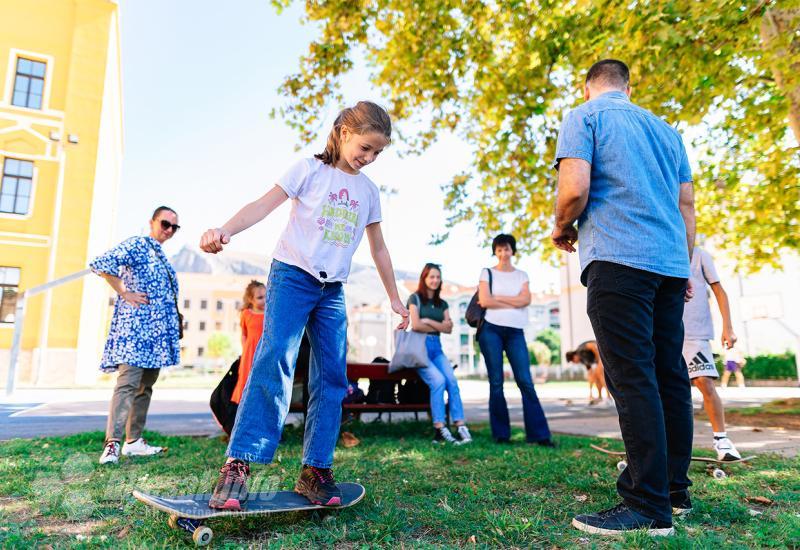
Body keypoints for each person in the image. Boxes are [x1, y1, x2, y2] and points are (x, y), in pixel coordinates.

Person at [199, 101, 409, 511]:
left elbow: (379, 248)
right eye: (365, 148)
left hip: (332, 291)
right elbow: (262, 205)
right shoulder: (308, 170)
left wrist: (396, 298)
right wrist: (225, 229)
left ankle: (315, 469)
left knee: (332, 376)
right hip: (293, 275)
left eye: (377, 153)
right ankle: (238, 465)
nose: (369, 158)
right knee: (275, 358)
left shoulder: (368, 191)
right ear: (345, 132)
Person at [552, 59, 696, 536]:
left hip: (618, 259)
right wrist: (683, 263)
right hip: (670, 265)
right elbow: (686, 207)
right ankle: (674, 489)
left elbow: (574, 189)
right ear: (629, 86)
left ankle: (647, 506)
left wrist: (561, 225)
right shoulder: (667, 132)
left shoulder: (585, 116)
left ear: (588, 85)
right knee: (669, 375)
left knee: (632, 376)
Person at [92, 206, 182, 465]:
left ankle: (134, 441)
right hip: (135, 330)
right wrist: (124, 292)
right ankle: (112, 444)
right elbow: (103, 263)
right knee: (127, 384)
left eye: (175, 227)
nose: (169, 230)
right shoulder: (138, 244)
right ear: (152, 221)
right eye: (165, 224)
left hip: (155, 335)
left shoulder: (158, 253)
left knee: (145, 386)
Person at [477, 234, 554, 447]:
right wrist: (513, 301)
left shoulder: (522, 275)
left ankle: (540, 435)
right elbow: (484, 300)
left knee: (525, 381)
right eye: (499, 249)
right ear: (495, 251)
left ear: (513, 251)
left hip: (515, 332)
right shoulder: (487, 272)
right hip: (491, 330)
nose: (503, 253)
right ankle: (501, 435)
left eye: (507, 249)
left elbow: (526, 300)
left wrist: (498, 298)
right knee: (496, 382)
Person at [682, 246, 742, 461]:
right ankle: (662, 443)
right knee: (663, 388)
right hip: (664, 332)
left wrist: (728, 327)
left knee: (704, 382)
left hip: (695, 332)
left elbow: (718, 290)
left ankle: (722, 440)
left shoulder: (699, 255)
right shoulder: (657, 248)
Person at [407, 263, 472, 445]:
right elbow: (417, 325)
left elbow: (449, 328)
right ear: (424, 278)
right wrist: (437, 324)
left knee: (452, 381)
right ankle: (439, 429)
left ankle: (460, 425)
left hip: (437, 348)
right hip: (420, 349)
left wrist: (427, 320)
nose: (435, 280)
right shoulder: (415, 298)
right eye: (431, 277)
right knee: (438, 381)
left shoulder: (442, 303)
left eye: (437, 277)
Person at [232, 280, 266, 405]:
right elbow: (244, 334)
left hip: (264, 351)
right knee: (246, 380)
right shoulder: (246, 314)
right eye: (260, 297)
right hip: (250, 353)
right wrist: (245, 352)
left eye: (266, 296)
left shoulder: (270, 313)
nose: (264, 300)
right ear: (251, 299)